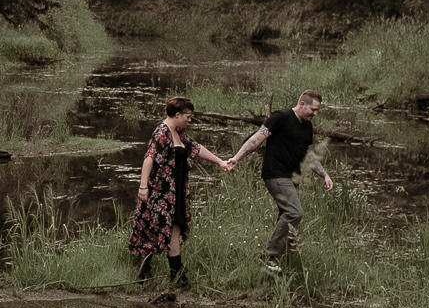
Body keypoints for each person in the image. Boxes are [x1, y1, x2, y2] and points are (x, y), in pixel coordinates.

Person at [129, 96, 235, 291]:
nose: (190, 120)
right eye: (187, 116)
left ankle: (177, 277)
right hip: (159, 193)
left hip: (175, 193)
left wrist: (220, 162)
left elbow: (197, 148)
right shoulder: (162, 132)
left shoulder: (178, 133)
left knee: (175, 230)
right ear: (177, 115)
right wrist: (143, 187)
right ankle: (143, 276)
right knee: (153, 231)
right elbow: (149, 158)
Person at [231, 89, 332, 271]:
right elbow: (256, 139)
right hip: (275, 174)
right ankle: (268, 255)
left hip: (292, 176)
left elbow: (307, 155)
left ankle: (281, 259)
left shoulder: (307, 126)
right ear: (302, 104)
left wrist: (324, 174)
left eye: (317, 111)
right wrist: (236, 158)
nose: (315, 114)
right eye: (313, 109)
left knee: (285, 215)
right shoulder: (281, 117)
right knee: (294, 212)